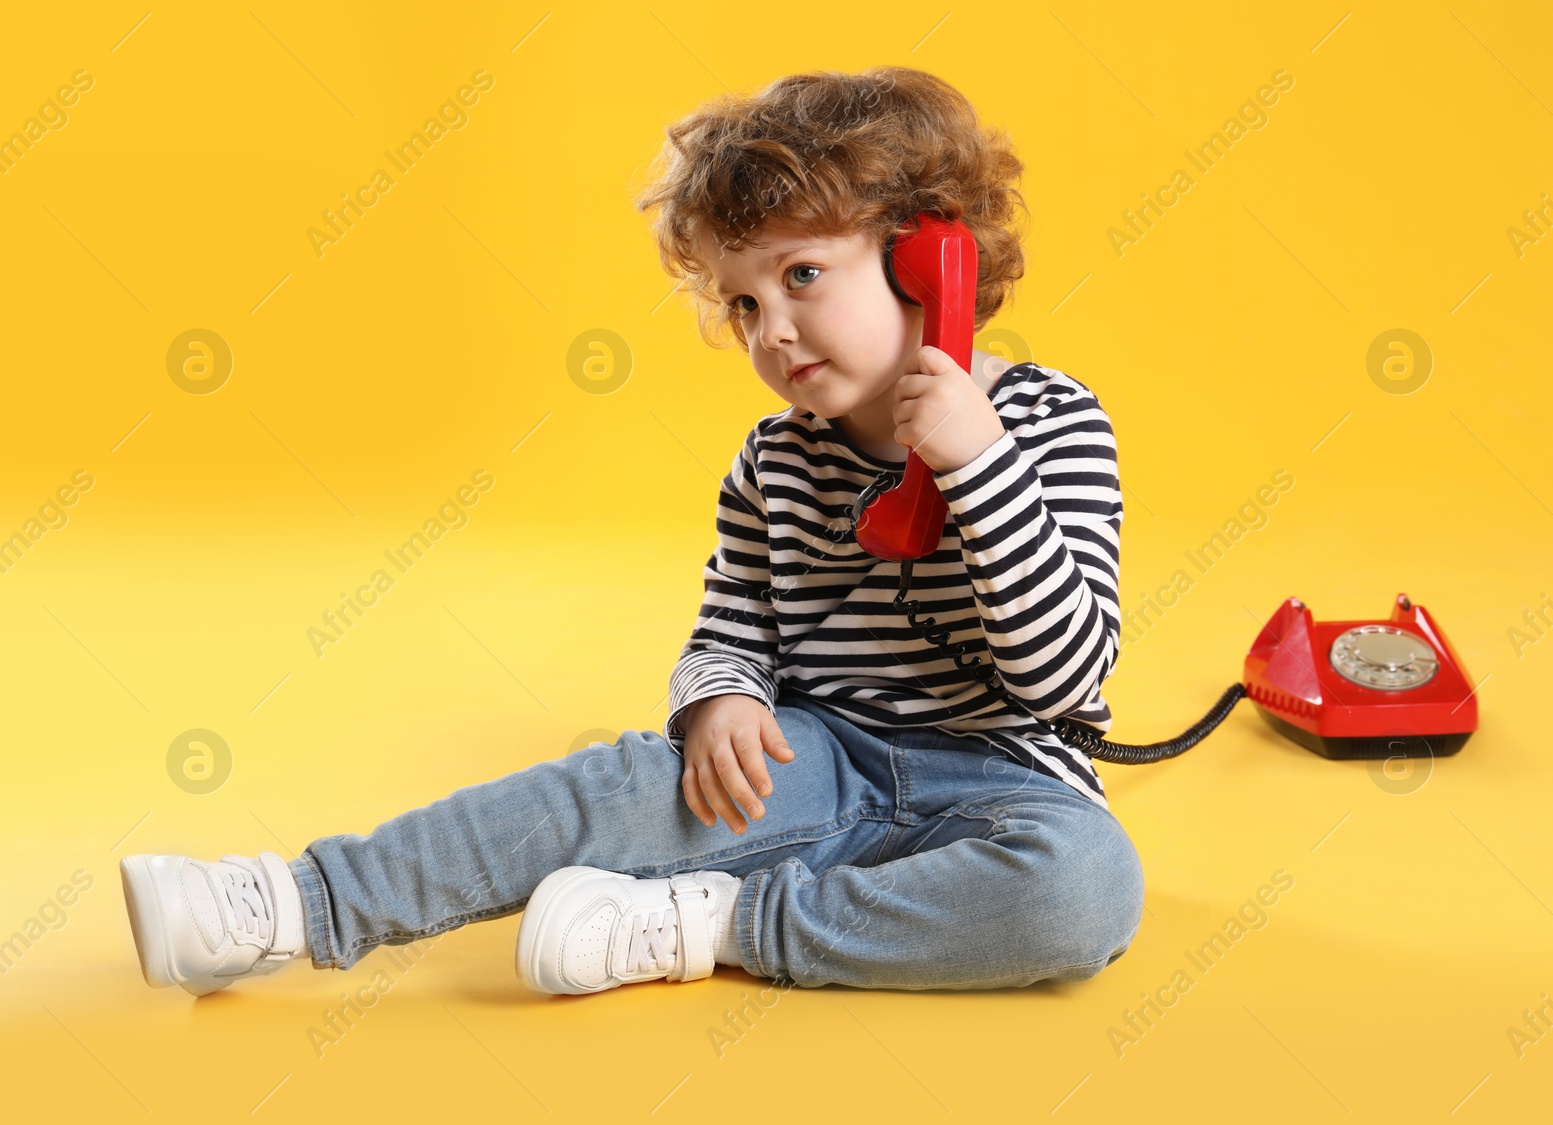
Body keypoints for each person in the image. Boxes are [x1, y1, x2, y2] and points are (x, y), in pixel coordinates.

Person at [118, 65, 1142, 998]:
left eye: (800, 277)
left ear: (929, 258)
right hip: (812, 765)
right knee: (603, 787)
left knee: (1083, 892)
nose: (771, 331)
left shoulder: (1051, 424)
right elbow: (732, 624)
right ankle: (290, 905)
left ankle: (713, 925)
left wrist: (974, 466)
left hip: (1003, 779)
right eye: (741, 303)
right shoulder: (775, 461)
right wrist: (722, 698)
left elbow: (1059, 678)